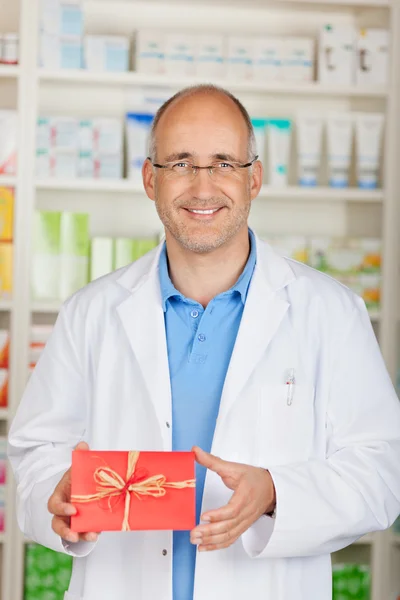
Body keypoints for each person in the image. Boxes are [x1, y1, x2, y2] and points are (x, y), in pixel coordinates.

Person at [8, 84, 400, 600]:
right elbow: (35, 452)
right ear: (150, 179)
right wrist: (54, 497)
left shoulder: (330, 312)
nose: (202, 185)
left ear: (254, 177)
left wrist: (276, 495)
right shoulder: (92, 312)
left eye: (223, 163)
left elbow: (381, 471)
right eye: (180, 163)